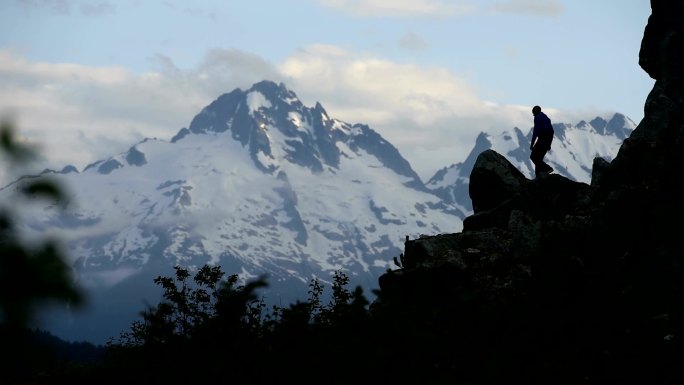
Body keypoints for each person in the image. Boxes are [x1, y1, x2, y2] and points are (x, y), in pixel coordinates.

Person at [530, 105, 554, 178]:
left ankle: (547, 168)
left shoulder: (537, 118)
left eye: (533, 113)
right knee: (539, 159)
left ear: (535, 112)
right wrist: (549, 144)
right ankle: (539, 175)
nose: (533, 115)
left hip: (541, 140)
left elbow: (536, 132)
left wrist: (532, 144)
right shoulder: (546, 118)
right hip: (547, 141)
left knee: (533, 156)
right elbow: (551, 131)